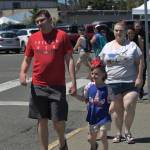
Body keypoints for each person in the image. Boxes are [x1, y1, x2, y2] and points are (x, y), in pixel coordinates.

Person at [19, 10, 77, 150]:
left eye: (42, 20)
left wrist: (73, 81)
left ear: (50, 20)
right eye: (37, 21)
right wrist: (22, 73)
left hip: (57, 85)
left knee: (58, 121)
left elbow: (69, 59)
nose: (39, 24)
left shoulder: (62, 36)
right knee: (41, 119)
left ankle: (62, 141)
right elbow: (27, 59)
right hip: (38, 85)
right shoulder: (33, 38)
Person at [99, 22, 144, 144]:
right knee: (117, 110)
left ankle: (127, 132)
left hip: (130, 82)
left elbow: (140, 62)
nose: (118, 33)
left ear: (126, 32)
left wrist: (140, 77)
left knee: (129, 106)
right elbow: (100, 63)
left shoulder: (132, 45)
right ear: (114, 31)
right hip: (112, 83)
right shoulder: (107, 46)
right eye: (116, 30)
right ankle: (118, 133)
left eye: (121, 31)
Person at [74, 58, 112, 150]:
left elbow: (113, 101)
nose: (94, 76)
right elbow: (84, 99)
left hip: (104, 116)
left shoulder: (107, 88)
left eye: (96, 74)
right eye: (92, 73)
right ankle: (94, 146)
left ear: (103, 74)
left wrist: (112, 108)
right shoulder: (89, 86)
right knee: (90, 139)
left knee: (103, 135)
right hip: (92, 116)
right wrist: (75, 95)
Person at [133, 21, 146, 99]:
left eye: (138, 26)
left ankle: (140, 89)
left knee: (143, 73)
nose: (137, 28)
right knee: (135, 73)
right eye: (136, 26)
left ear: (141, 26)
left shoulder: (144, 33)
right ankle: (135, 89)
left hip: (142, 56)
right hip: (134, 57)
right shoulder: (131, 33)